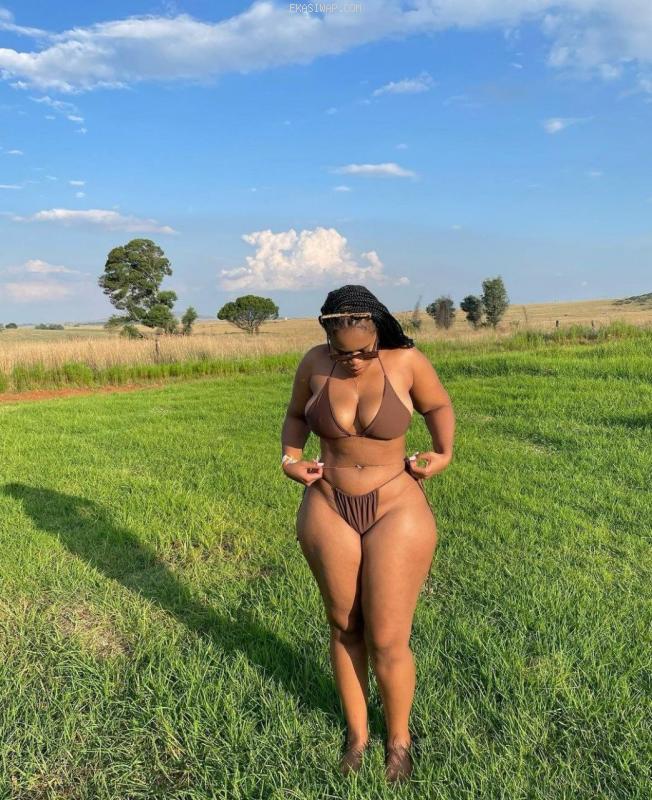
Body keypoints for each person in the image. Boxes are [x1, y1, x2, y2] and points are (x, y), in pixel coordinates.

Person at [280, 284, 455, 783]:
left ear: (378, 330)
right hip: (328, 503)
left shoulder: (406, 361)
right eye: (343, 353)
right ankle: (357, 737)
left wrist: (442, 453)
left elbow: (438, 406)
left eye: (363, 351)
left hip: (396, 505)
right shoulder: (313, 363)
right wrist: (290, 459)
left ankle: (398, 740)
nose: (353, 361)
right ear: (327, 339)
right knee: (343, 626)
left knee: (387, 636)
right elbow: (295, 416)